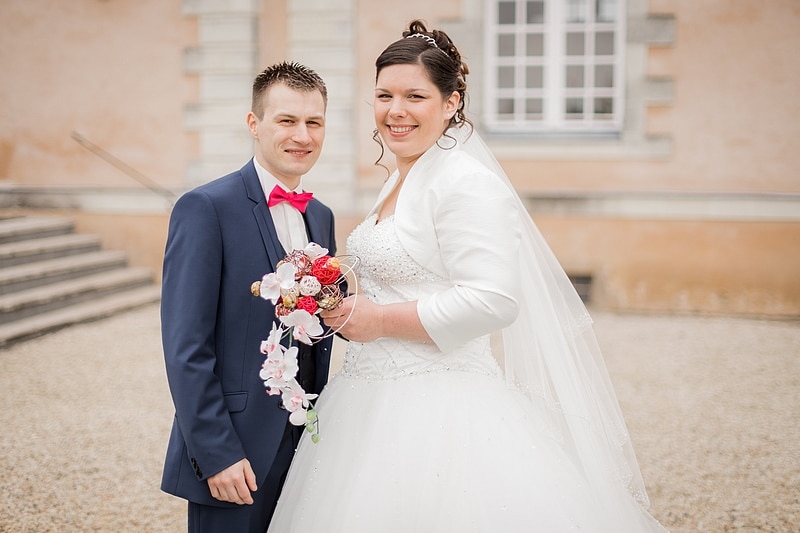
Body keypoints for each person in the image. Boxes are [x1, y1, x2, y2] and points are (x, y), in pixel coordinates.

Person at [267, 21, 667, 532]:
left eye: (415, 96)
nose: (396, 110)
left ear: (451, 102)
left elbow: (494, 300)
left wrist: (381, 320)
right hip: (366, 396)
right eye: (384, 95)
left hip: (443, 406)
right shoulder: (399, 178)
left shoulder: (466, 183)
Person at [160, 61, 337, 533]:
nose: (303, 135)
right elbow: (186, 347)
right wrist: (216, 453)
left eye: (314, 122)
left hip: (304, 448)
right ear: (254, 124)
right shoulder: (205, 208)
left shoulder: (321, 217)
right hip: (234, 451)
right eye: (287, 120)